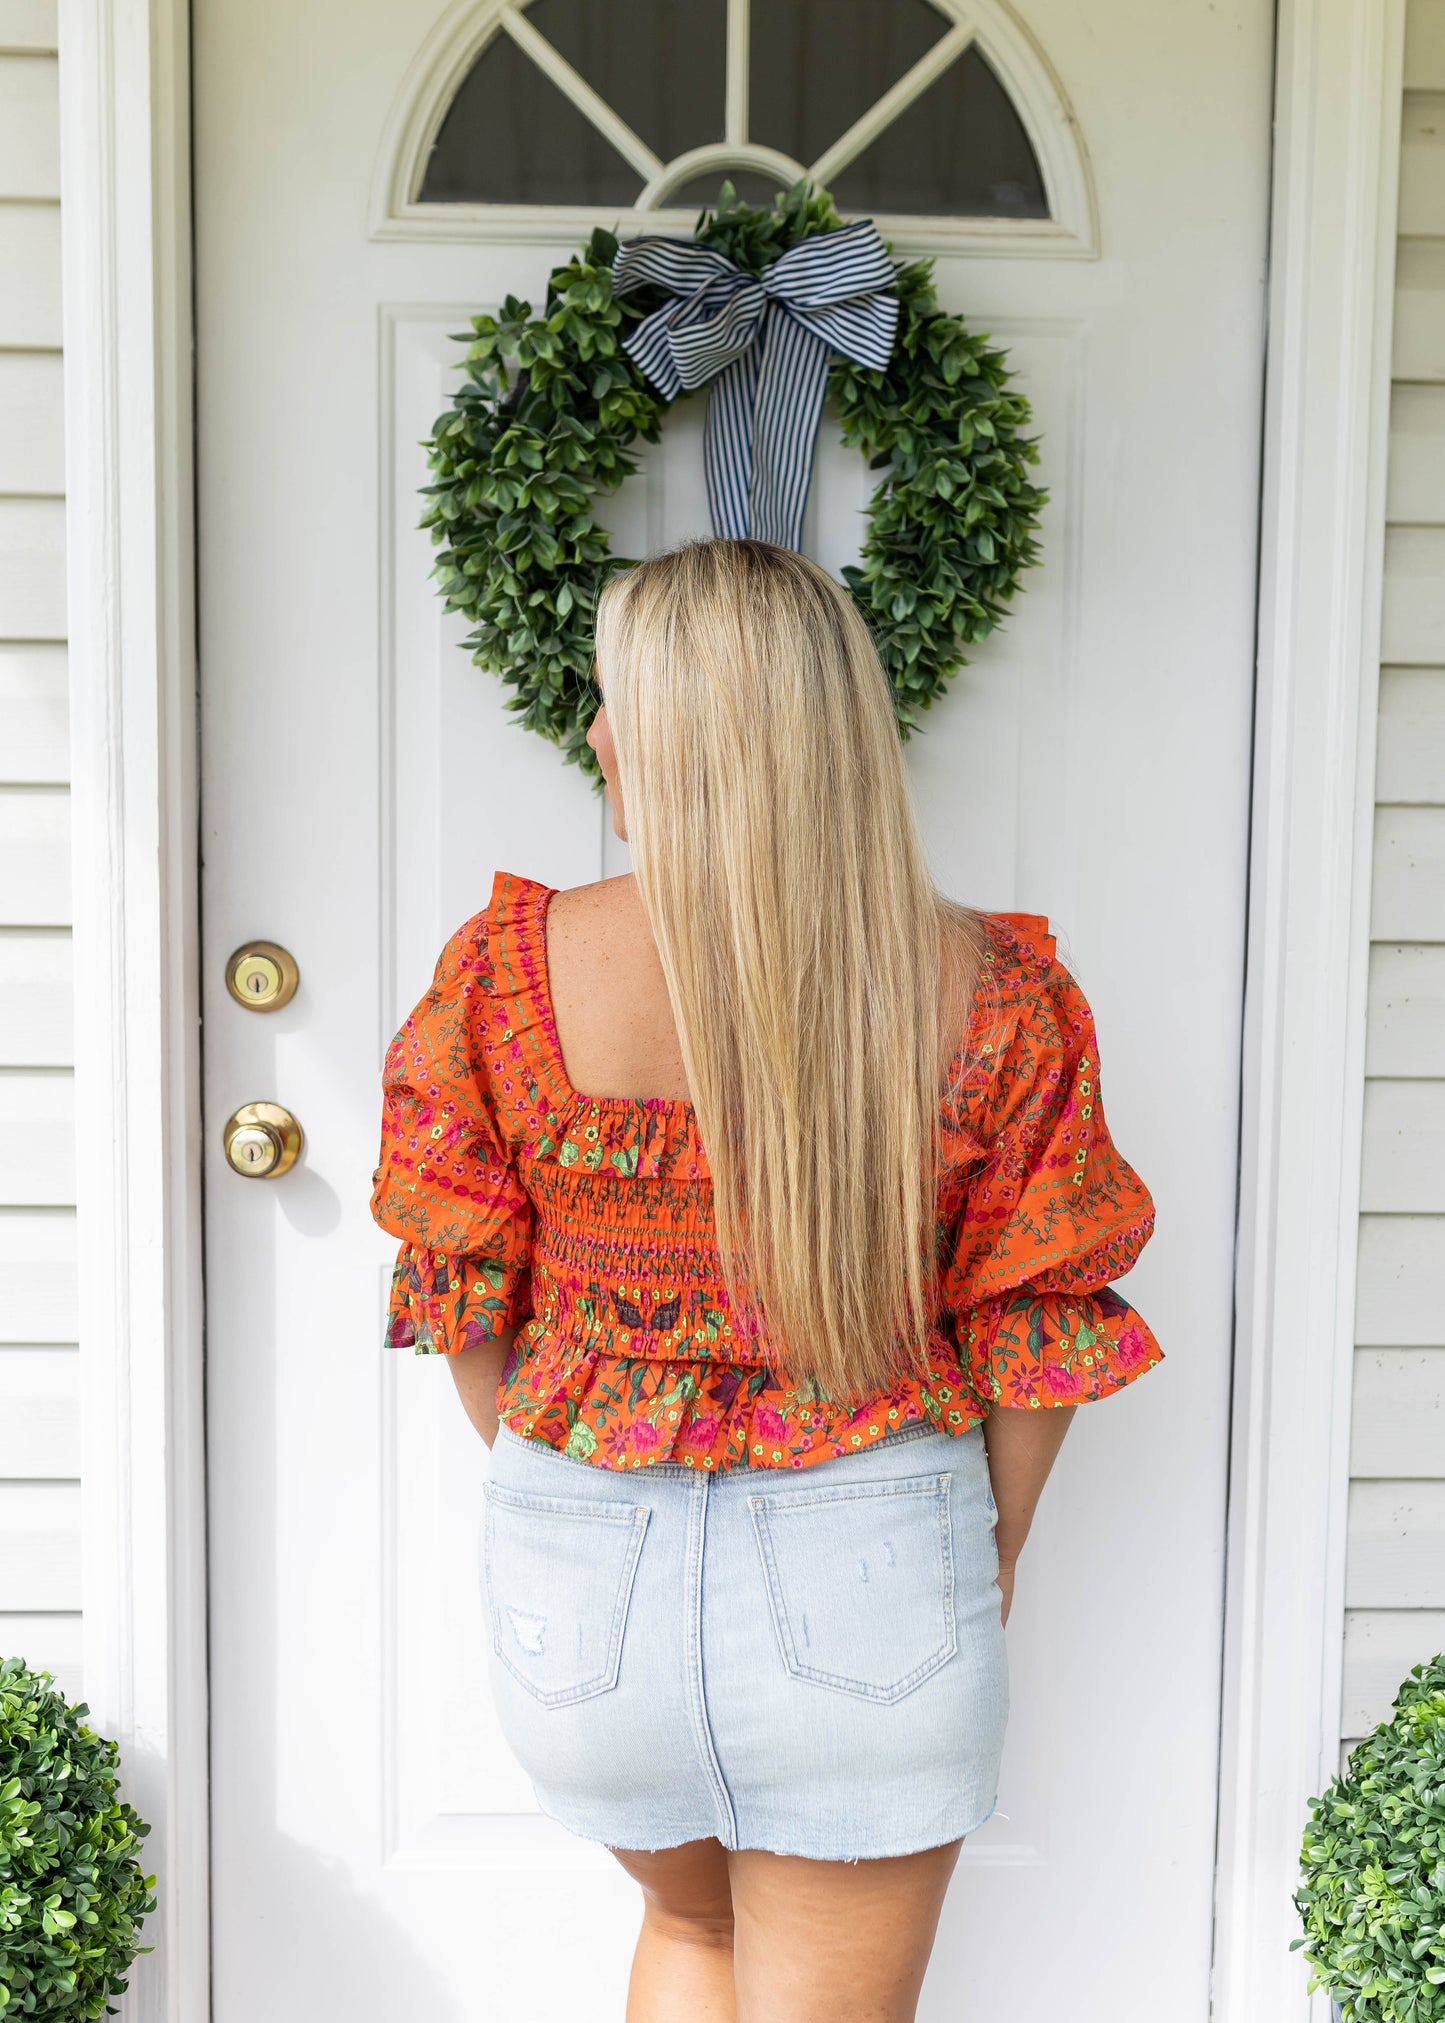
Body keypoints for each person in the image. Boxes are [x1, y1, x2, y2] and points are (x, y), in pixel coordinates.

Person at [371, 538, 1163, 2022]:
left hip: (575, 1568)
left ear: (673, 730)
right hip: (869, 1558)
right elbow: (1036, 1329)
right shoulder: (992, 992)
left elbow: (461, 1301)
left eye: (610, 698)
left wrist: (568, 1485)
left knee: (691, 1937)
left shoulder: (503, 973)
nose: (593, 733)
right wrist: (989, 1548)